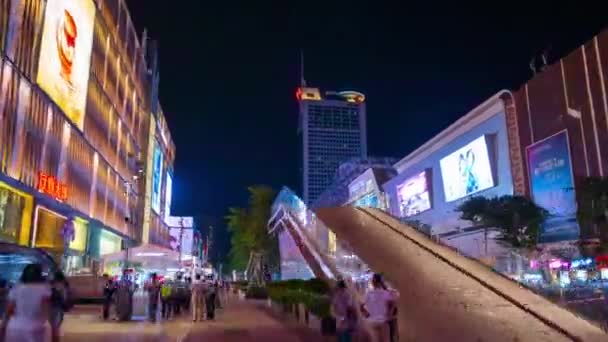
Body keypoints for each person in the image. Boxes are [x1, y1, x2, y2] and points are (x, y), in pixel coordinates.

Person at [0, 264, 59, 342]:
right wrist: (54, 331)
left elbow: (8, 311)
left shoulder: (16, 288)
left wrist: (3, 328)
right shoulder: (44, 289)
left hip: (14, 328)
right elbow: (47, 311)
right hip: (35, 329)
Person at [361, 274, 399, 342]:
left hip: (371, 321)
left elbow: (361, 306)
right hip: (383, 321)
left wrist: (366, 313)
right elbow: (396, 296)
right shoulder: (385, 293)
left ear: (373, 282)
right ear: (380, 282)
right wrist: (390, 313)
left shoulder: (369, 294)